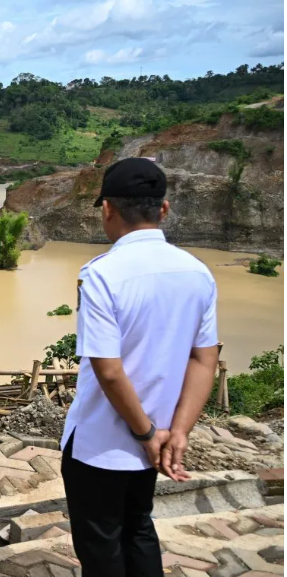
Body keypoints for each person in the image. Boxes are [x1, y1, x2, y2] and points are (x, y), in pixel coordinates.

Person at [60, 157, 219, 576]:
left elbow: (109, 370)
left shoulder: (101, 275)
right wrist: (176, 433)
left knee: (101, 547)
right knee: (138, 528)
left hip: (102, 445)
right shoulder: (198, 273)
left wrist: (145, 433)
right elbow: (205, 358)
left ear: (107, 209)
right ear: (163, 209)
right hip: (160, 439)